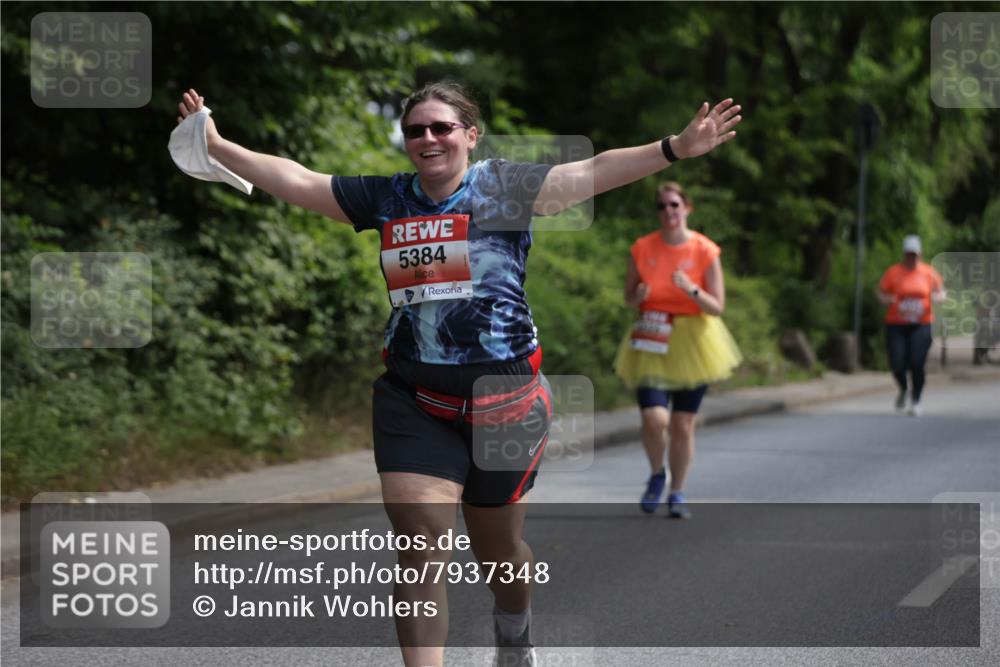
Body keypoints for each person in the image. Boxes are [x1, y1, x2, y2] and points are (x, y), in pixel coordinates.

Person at [176, 83, 741, 666]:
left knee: (500, 556)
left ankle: (514, 627)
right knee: (420, 548)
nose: (428, 138)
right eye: (416, 129)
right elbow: (299, 180)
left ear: (470, 135)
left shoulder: (506, 187)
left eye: (442, 127)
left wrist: (674, 148)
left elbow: (593, 169)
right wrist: (217, 145)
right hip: (413, 398)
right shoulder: (388, 198)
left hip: (507, 400)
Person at [614, 182, 741, 519]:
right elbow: (628, 297)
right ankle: (658, 473)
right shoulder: (642, 248)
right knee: (654, 419)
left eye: (674, 205)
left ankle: (678, 491)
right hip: (652, 336)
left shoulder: (704, 250)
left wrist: (692, 290)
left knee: (684, 424)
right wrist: (636, 297)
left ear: (687, 208)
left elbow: (717, 307)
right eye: (661, 206)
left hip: (694, 341)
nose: (668, 212)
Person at [877, 235, 945, 416]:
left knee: (916, 362)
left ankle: (916, 399)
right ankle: (903, 388)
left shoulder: (928, 272)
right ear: (903, 254)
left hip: (922, 324)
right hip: (896, 324)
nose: (911, 258)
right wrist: (887, 299)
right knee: (897, 364)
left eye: (914, 254)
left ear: (920, 254)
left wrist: (937, 298)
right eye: (908, 254)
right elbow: (881, 293)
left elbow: (941, 293)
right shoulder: (893, 272)